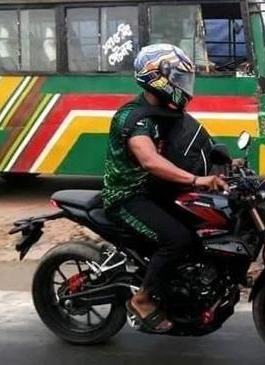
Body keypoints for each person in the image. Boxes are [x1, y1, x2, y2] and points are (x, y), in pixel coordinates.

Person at [102, 44, 227, 333]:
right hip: (127, 196)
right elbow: (150, 161)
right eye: (179, 79)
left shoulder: (163, 110)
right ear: (158, 79)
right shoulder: (134, 118)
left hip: (154, 191)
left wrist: (225, 164)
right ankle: (143, 298)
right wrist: (196, 181)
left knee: (200, 228)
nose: (184, 86)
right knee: (177, 239)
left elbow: (189, 145)